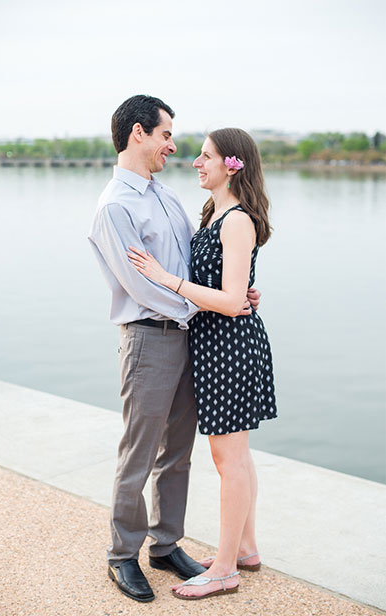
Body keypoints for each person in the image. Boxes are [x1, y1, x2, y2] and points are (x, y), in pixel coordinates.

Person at [87, 95, 259, 603]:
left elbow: (190, 265)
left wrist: (233, 297)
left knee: (177, 454)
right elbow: (141, 288)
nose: (173, 145)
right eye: (166, 134)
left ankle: (165, 545)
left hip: (190, 337)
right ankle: (123, 555)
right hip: (149, 338)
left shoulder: (164, 195)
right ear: (139, 133)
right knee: (137, 453)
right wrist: (215, 307)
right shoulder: (114, 206)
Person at [127, 127, 277, 600]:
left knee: (228, 459)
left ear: (233, 164)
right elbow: (236, 289)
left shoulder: (235, 220)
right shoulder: (216, 213)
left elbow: (232, 300)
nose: (196, 160)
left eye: (206, 155)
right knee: (238, 456)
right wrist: (240, 292)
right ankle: (246, 548)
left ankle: (226, 569)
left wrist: (165, 279)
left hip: (229, 346)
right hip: (220, 343)